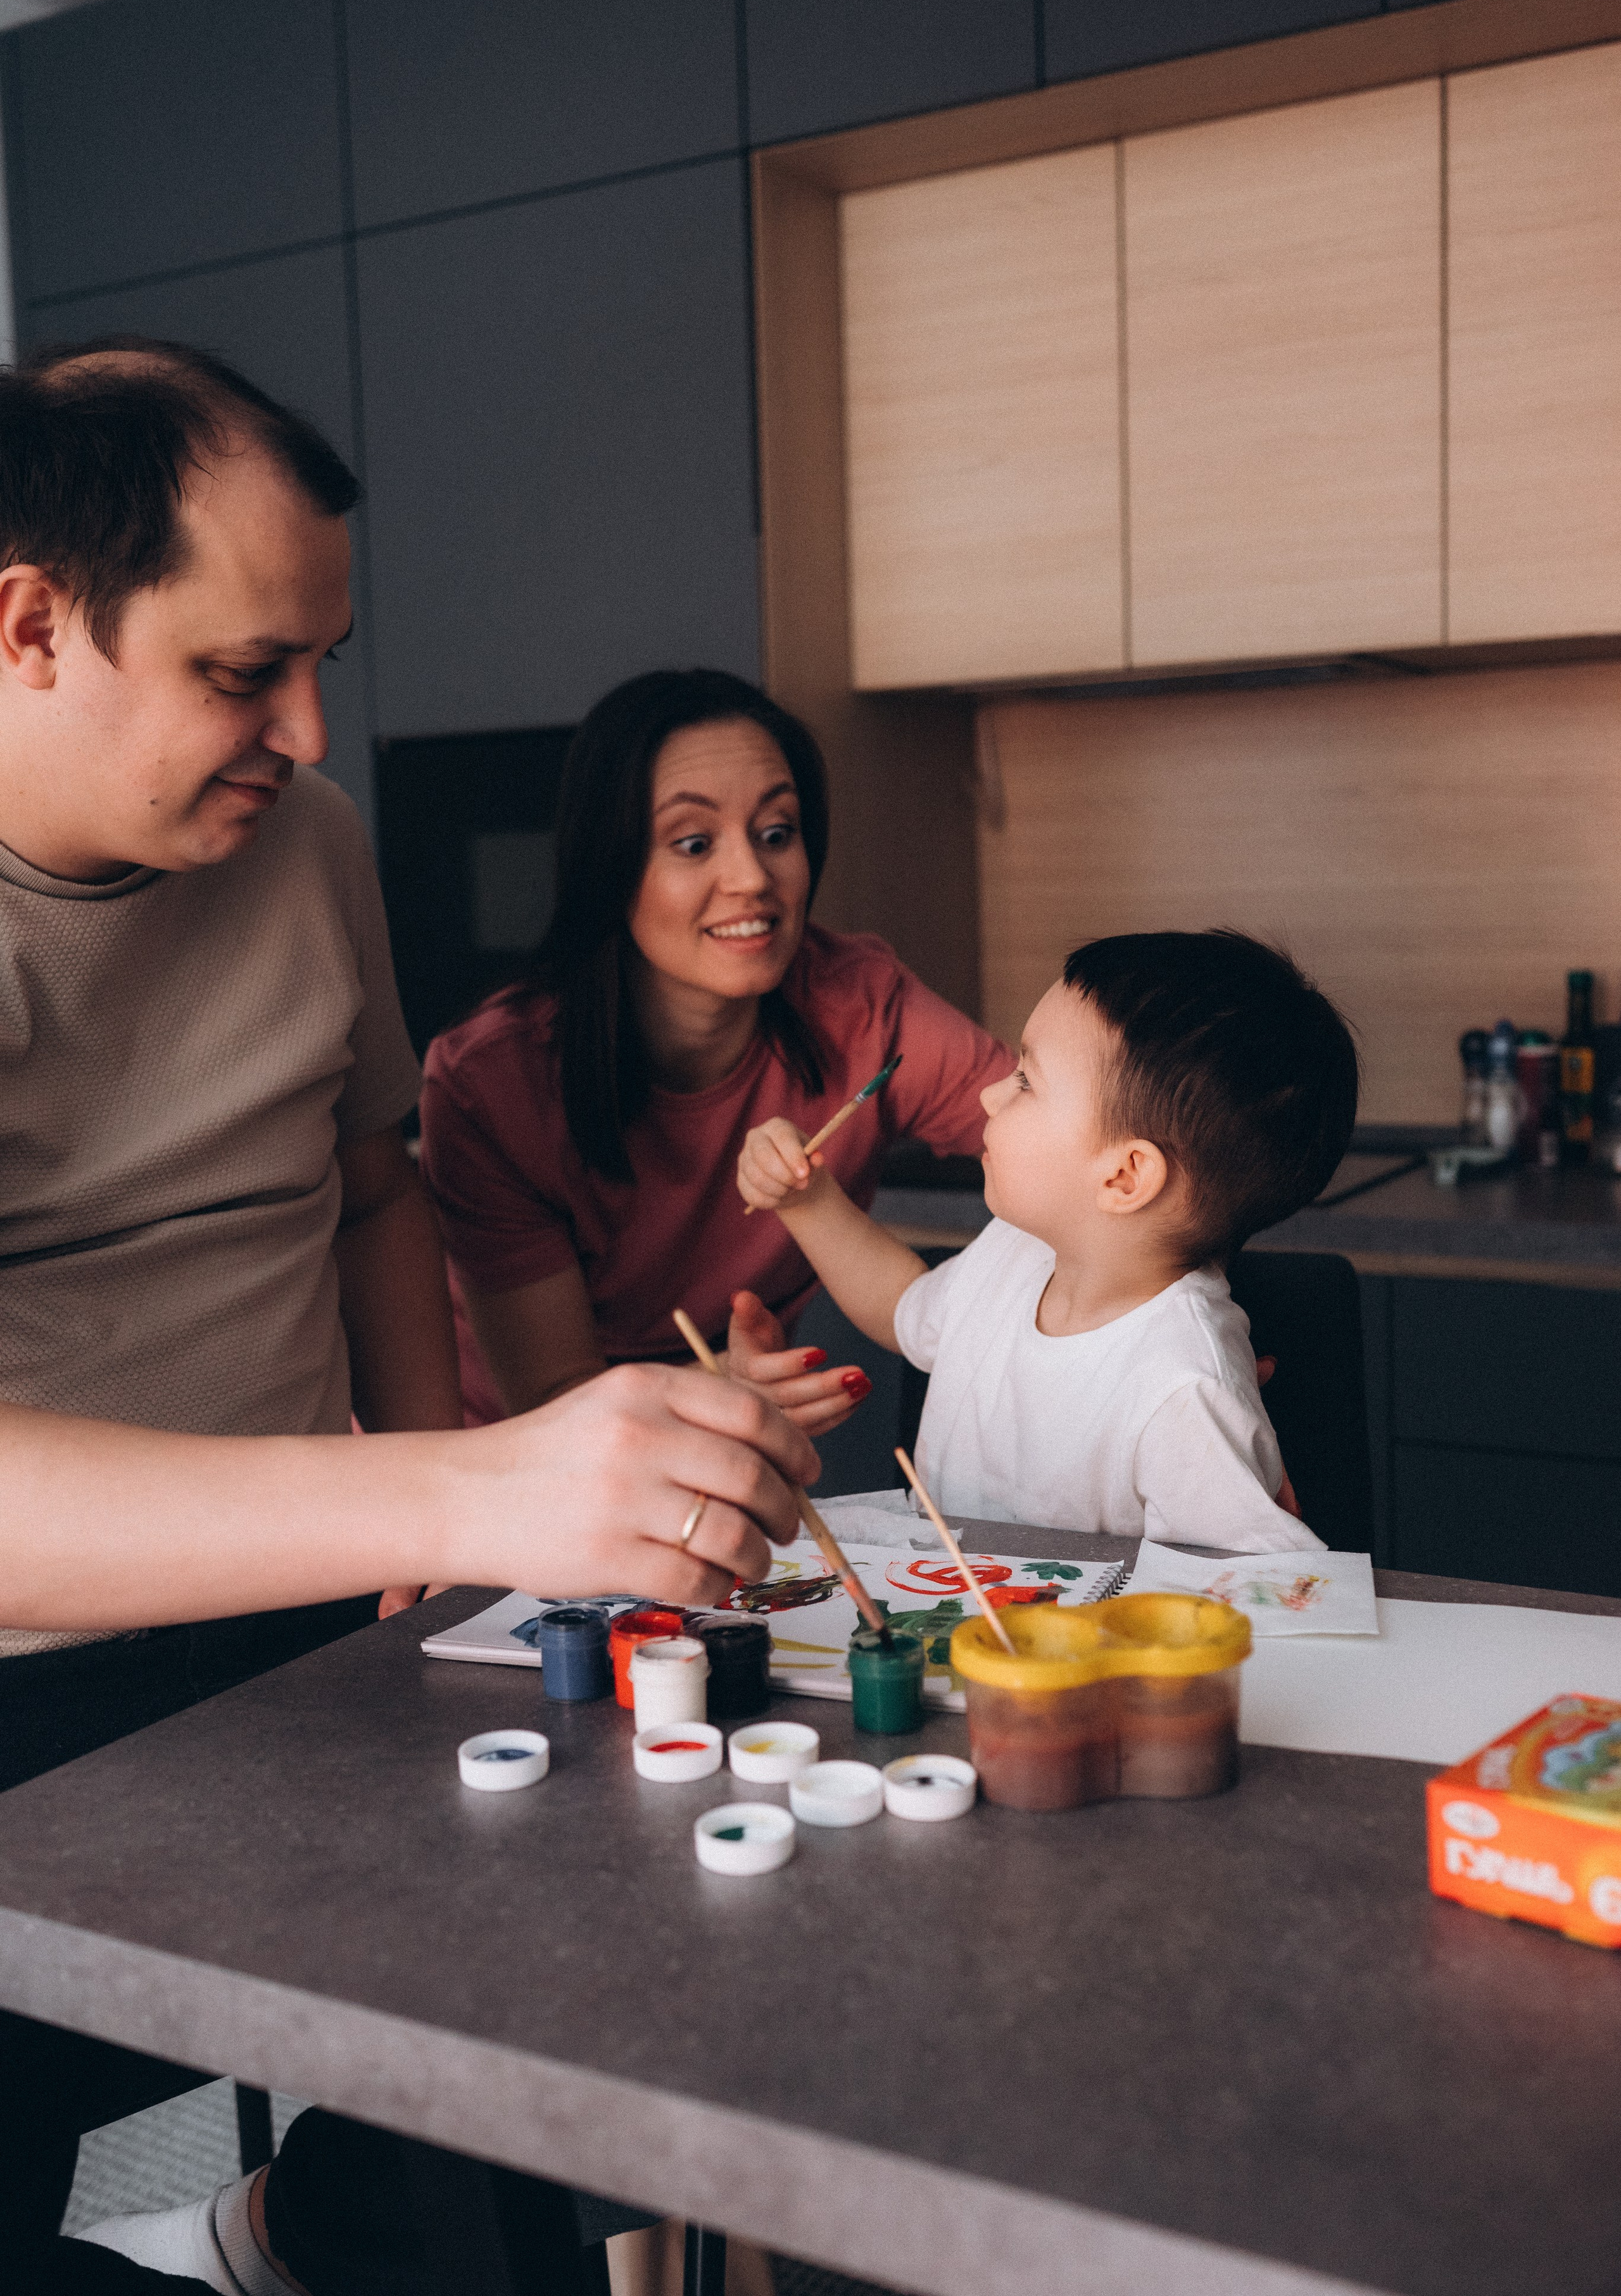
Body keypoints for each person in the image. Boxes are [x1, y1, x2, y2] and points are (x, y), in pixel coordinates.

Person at [0, 339, 813, 2296]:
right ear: (28, 624)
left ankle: (308, 2225)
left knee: (519, 2103)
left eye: (319, 666)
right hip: (28, 1698)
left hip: (313, 1636)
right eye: (240, 671)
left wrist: (413, 1544)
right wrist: (453, 1498)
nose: (303, 726)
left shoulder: (311, 843)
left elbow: (369, 1179)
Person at [418, 667, 1012, 1434]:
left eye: (776, 834)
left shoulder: (863, 1004)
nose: (752, 878)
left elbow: (1072, 1141)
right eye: (694, 844)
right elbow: (553, 1398)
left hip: (730, 1440)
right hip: (505, 1468)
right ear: (610, 866)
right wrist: (711, 1387)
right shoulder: (489, 1083)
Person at [737, 929, 1359, 1549]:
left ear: (1123, 1175)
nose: (988, 1094)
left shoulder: (1185, 1388)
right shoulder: (1016, 1250)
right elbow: (906, 1308)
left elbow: (1254, 1596)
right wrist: (806, 1200)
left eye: (1026, 1080)